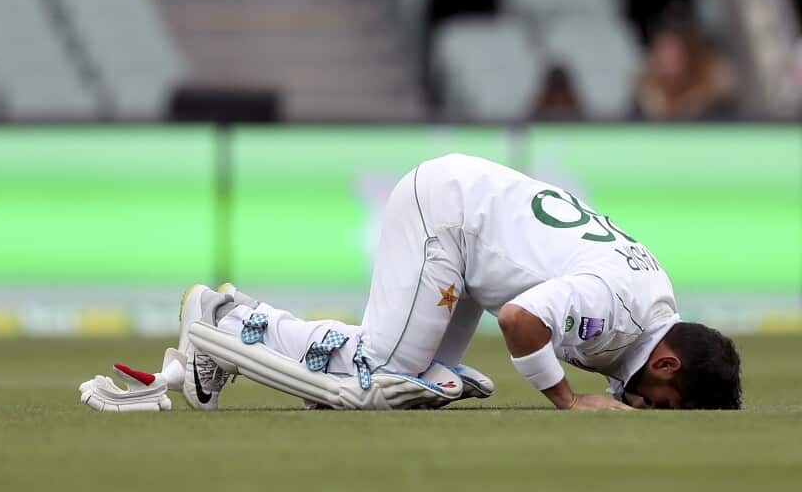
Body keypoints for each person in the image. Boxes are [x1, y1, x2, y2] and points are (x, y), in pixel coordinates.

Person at [82, 154, 742, 413]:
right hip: (449, 216)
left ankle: (245, 330)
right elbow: (519, 322)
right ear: (666, 360)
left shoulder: (650, 308)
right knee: (381, 369)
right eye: (659, 401)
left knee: (403, 375)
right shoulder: (619, 310)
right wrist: (570, 403)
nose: (643, 409)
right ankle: (228, 323)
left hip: (470, 229)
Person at [635, 24, 737, 120]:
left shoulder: (718, 104)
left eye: (676, 59)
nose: (669, 66)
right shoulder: (644, 106)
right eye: (663, 60)